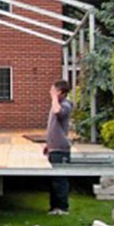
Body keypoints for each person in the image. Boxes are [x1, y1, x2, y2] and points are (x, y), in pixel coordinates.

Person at [44, 79, 73, 215]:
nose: (50, 93)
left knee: (60, 179)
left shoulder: (65, 105)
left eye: (53, 91)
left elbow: (57, 112)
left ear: (60, 92)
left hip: (61, 149)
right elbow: (52, 127)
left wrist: (55, 98)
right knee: (53, 180)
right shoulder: (56, 104)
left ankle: (63, 207)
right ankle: (54, 207)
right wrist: (47, 144)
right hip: (53, 147)